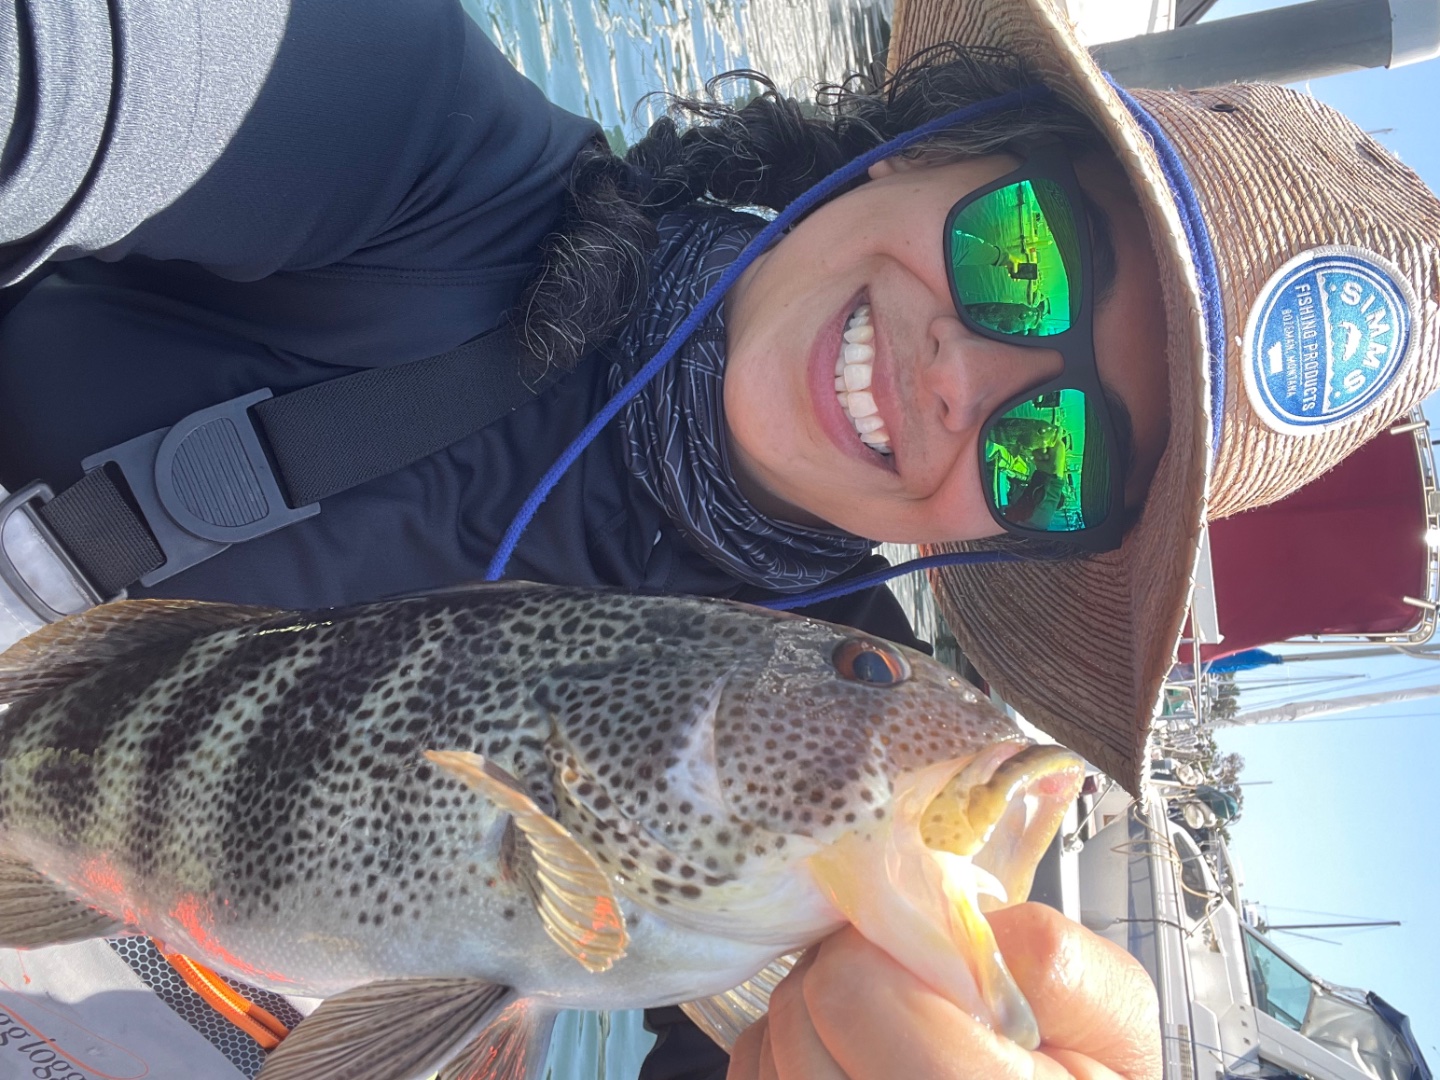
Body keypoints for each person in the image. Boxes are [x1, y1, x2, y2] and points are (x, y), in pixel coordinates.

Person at [2, 0, 1439, 1074]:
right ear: (928, 152)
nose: (965, 381)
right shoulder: (423, 149)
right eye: (1025, 250)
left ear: (1019, 540)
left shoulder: (802, 914)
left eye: (1057, 458)